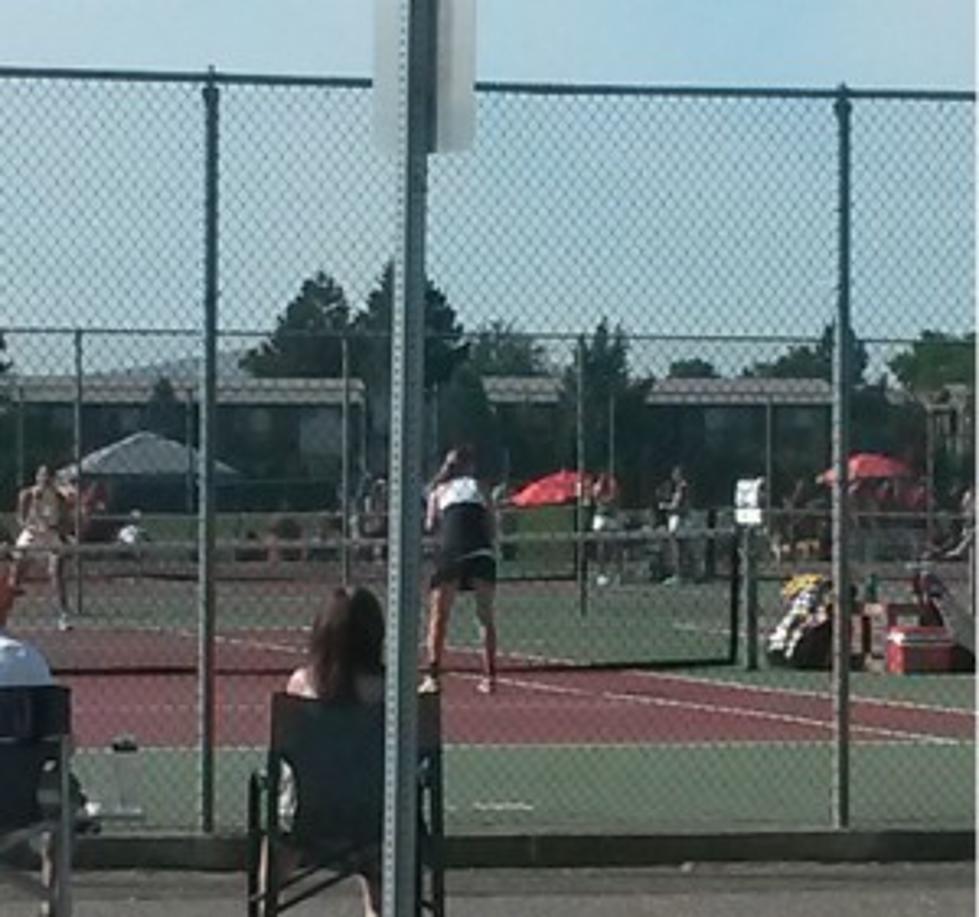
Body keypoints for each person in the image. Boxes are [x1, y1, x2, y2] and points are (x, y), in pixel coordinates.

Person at [263, 586, 386, 917]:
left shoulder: (302, 685)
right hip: (379, 818)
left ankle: (266, 905)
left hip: (307, 821)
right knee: (379, 828)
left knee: (279, 828)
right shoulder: (392, 691)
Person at [420, 444, 498, 696]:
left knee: (439, 615)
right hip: (480, 551)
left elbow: (431, 525)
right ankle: (490, 677)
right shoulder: (481, 487)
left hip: (452, 550)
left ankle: (433, 676)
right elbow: (491, 524)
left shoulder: (438, 490)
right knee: (484, 616)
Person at [8, 466, 73, 631]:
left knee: (56, 572)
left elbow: (65, 520)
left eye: (48, 476)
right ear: (37, 477)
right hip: (32, 534)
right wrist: (33, 526)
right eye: (41, 475)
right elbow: (20, 519)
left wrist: (58, 530)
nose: (44, 479)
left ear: (53, 479)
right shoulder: (27, 494)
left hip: (51, 534)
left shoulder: (60, 498)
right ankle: (5, 610)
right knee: (17, 570)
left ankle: (63, 616)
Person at [660, 465, 690, 584]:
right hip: (679, 518)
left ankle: (678, 574)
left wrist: (664, 506)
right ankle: (681, 573)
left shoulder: (681, 487)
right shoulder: (679, 487)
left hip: (677, 518)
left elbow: (676, 505)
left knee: (676, 547)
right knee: (680, 547)